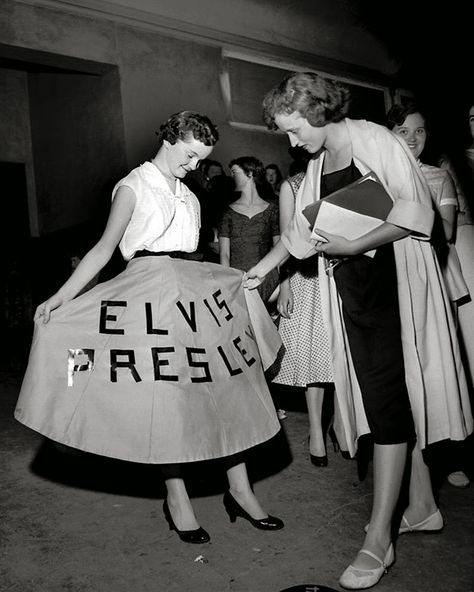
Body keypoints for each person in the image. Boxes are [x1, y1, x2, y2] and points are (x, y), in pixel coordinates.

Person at [244, 73, 473, 589]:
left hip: (392, 288)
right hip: (358, 293)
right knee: (388, 399)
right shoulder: (320, 162)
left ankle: (378, 541)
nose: (291, 140)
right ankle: (421, 506)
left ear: (317, 111)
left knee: (389, 402)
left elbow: (420, 218)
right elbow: (301, 233)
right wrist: (265, 268)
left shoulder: (377, 140)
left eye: (294, 128)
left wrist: (351, 245)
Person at [15, 111, 284, 545]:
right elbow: (104, 250)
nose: (195, 166)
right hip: (147, 301)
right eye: (191, 155)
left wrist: (233, 280)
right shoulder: (132, 186)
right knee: (170, 400)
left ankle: (241, 490)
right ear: (172, 138)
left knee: (228, 388)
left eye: (202, 159)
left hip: (193, 299)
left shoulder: (192, 197)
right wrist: (60, 298)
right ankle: (176, 497)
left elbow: (196, 257)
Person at [272, 169, 346, 465]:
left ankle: (343, 424)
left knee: (345, 356)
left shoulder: (348, 174)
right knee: (315, 355)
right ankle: (316, 430)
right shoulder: (293, 185)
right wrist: (285, 283)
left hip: (344, 275)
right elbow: (285, 239)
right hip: (308, 277)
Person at [218, 156, 280, 304]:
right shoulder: (227, 212)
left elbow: (280, 250)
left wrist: (284, 286)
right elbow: (224, 254)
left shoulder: (272, 210)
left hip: (266, 277)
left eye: (235, 172)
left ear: (250, 174)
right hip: (237, 280)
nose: (231, 177)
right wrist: (226, 286)